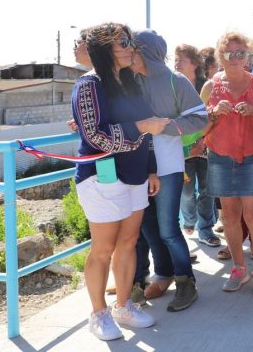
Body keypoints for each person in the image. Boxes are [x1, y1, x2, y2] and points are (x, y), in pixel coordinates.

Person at [71, 22, 168, 340]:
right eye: (123, 42)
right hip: (101, 178)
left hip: (136, 175)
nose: (130, 47)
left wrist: (151, 168)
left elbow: (148, 134)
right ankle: (98, 313)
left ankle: (123, 306)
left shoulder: (130, 82)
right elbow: (95, 135)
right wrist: (139, 127)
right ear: (103, 50)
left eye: (130, 41)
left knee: (128, 244)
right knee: (103, 248)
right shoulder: (88, 85)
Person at [130, 30, 209, 312]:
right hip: (137, 168)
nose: (129, 54)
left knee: (168, 229)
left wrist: (165, 127)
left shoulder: (177, 81)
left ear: (147, 52)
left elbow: (200, 117)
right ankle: (156, 277)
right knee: (147, 228)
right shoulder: (129, 80)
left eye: (134, 49)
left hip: (169, 167)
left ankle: (186, 282)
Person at [201, 32, 253, 295]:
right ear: (220, 56)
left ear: (249, 55)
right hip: (220, 157)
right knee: (230, 216)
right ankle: (239, 268)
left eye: (241, 53)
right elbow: (198, 128)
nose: (236, 58)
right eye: (230, 53)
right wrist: (212, 113)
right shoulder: (210, 87)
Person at [174, 44, 219, 247]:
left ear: (193, 63)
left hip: (207, 145)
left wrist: (202, 139)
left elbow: (212, 116)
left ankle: (206, 229)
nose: (176, 63)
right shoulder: (172, 87)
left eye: (181, 59)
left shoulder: (206, 85)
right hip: (183, 151)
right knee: (187, 191)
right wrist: (188, 146)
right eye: (175, 59)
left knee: (208, 190)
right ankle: (189, 221)